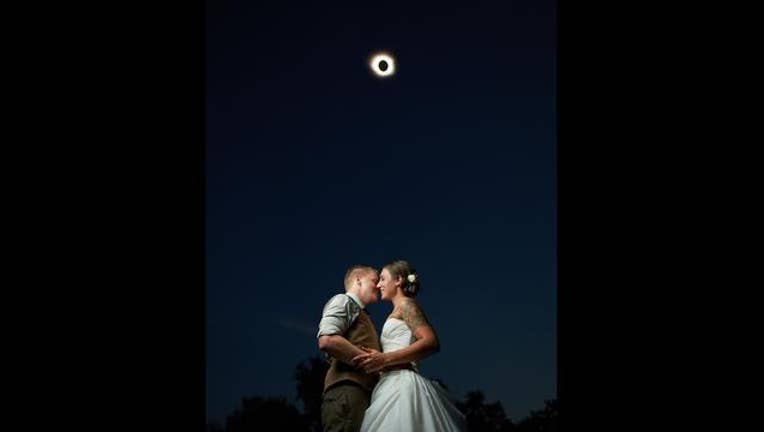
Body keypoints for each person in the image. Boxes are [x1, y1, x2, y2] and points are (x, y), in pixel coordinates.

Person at [353, 260, 466, 432]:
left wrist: (384, 359)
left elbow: (431, 342)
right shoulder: (397, 309)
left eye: (383, 279)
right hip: (388, 383)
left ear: (398, 279)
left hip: (403, 386)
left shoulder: (406, 304)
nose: (378, 284)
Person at [317, 265, 383, 432]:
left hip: (361, 395)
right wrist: (372, 363)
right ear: (358, 280)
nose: (378, 285)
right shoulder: (343, 301)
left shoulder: (363, 315)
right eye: (375, 280)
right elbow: (328, 339)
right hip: (347, 392)